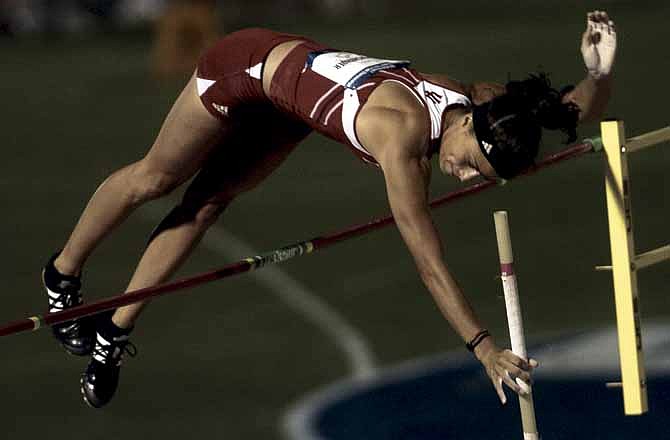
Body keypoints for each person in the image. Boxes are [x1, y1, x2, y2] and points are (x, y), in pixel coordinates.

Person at [42, 11, 617, 408]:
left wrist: (598, 72)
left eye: (476, 178)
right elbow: (427, 260)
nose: (464, 176)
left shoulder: (490, 106)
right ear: (467, 125)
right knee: (157, 178)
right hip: (248, 66)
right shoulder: (404, 142)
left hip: (289, 111)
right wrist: (484, 347)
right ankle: (62, 274)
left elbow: (564, 110)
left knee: (209, 203)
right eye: (470, 164)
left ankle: (111, 333)